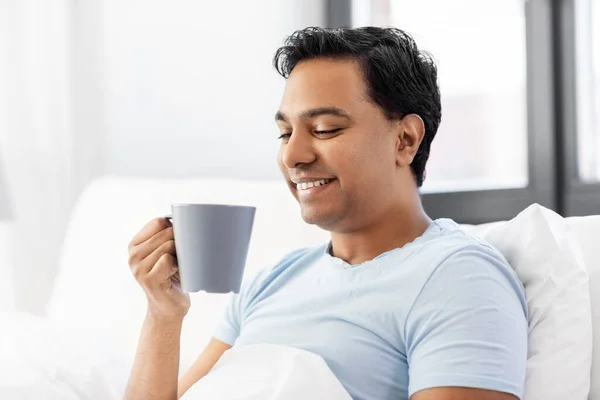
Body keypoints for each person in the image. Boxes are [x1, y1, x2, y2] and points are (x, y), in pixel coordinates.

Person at [124, 27, 527, 400]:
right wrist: (163, 314)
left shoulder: (458, 277)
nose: (293, 156)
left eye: (324, 129)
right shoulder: (273, 281)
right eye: (285, 133)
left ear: (405, 140)